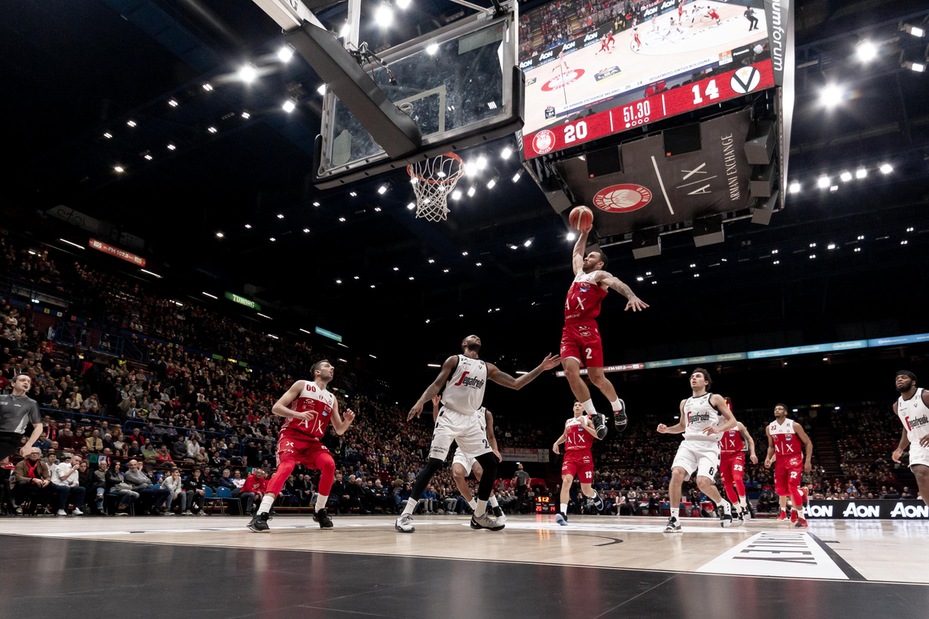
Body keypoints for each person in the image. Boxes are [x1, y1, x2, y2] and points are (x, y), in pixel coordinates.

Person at [395, 334, 560, 533]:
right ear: (464, 344)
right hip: (449, 415)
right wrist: (421, 401)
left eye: (478, 336)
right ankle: (405, 514)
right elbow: (437, 384)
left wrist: (540, 368)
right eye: (471, 336)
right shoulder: (454, 360)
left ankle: (479, 515)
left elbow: (516, 384)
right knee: (435, 463)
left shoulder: (487, 367)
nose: (476, 337)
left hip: (471, 420)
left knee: (490, 464)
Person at [247, 359, 356, 532]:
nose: (332, 368)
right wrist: (298, 414)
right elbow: (277, 407)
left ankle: (319, 510)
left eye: (332, 366)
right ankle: (261, 514)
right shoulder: (302, 385)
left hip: (312, 441)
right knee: (287, 466)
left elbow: (339, 430)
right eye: (327, 366)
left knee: (329, 464)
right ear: (317, 372)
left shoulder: (332, 398)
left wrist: (347, 421)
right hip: (291, 434)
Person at [561, 227, 648, 437]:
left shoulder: (599, 276)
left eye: (591, 256)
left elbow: (617, 283)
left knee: (596, 377)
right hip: (569, 329)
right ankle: (593, 415)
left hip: (588, 328)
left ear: (599, 264)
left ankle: (618, 406)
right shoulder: (578, 274)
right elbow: (576, 254)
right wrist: (583, 233)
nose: (586, 257)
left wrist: (631, 295)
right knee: (570, 372)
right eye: (587, 255)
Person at [656, 368, 737, 532]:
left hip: (709, 447)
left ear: (706, 382)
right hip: (689, 444)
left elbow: (733, 421)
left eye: (698, 376)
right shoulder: (685, 403)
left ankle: (722, 504)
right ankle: (674, 519)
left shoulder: (714, 398)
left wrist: (719, 429)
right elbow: (682, 426)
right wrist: (667, 429)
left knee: (702, 483)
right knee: (676, 473)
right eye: (692, 377)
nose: (694, 378)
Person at [441, 395, 506, 521]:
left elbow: (491, 436)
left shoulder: (486, 413)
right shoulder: (459, 409)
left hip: (479, 447)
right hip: (462, 448)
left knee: (480, 473)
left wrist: (495, 449)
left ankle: (496, 507)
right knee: (457, 473)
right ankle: (476, 508)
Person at [552, 402, 604, 525]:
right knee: (566, 481)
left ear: (584, 408)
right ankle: (563, 514)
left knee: (585, 490)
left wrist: (584, 426)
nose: (577, 406)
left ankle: (595, 495)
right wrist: (556, 443)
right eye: (575, 404)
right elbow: (565, 435)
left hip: (585, 455)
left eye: (580, 405)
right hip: (570, 456)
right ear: (572, 407)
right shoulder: (568, 421)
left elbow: (599, 436)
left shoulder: (588, 419)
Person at [764, 403, 813, 528]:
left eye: (780, 408)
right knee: (781, 491)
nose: (777, 410)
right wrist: (768, 458)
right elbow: (771, 446)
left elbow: (808, 443)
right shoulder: (770, 427)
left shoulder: (794, 425)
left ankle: (802, 518)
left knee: (791, 485)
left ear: (785, 412)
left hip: (794, 458)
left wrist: (807, 461)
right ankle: (802, 492)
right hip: (780, 460)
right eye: (775, 408)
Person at [891, 370, 929, 506]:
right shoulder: (897, 406)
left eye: (903, 378)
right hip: (919, 444)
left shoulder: (925, 395)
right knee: (920, 472)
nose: (899, 380)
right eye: (897, 378)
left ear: (913, 382)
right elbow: (907, 428)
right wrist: (900, 448)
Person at [717, 398, 758, 523]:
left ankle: (744, 504)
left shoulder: (738, 424)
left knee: (738, 478)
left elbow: (750, 439)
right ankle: (738, 510)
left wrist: (753, 453)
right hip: (723, 457)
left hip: (737, 455)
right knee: (727, 486)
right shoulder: (716, 424)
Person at [0, 374, 43, 462]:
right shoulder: (1, 398)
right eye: (22, 380)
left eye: (28, 382)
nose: (26, 382)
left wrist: (28, 445)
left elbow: (38, 427)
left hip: (11, 438)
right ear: (13, 383)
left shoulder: (31, 403)